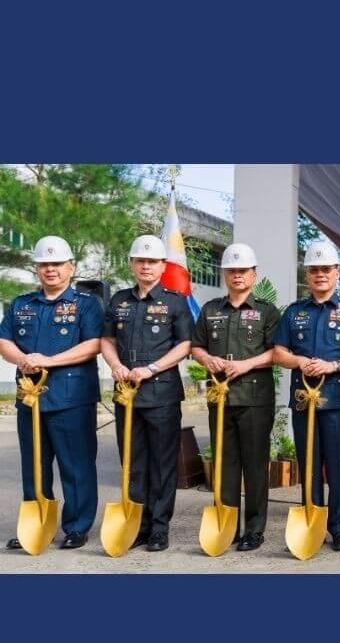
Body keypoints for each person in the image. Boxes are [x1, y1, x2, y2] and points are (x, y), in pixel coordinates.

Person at [0, 236, 103, 550]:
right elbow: (4, 341)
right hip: (29, 397)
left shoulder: (86, 304)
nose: (51, 270)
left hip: (70, 398)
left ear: (71, 267)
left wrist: (49, 361)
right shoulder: (22, 304)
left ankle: (76, 526)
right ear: (36, 269)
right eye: (44, 264)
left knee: (76, 466)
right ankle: (38, 524)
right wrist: (23, 360)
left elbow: (95, 344)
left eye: (57, 263)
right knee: (34, 466)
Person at [100, 234, 194, 552]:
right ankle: (137, 524)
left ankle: (158, 527)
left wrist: (152, 368)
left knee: (163, 463)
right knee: (133, 462)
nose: (146, 266)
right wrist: (114, 365)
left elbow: (184, 345)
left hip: (162, 394)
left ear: (163, 265)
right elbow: (107, 341)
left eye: (152, 261)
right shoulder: (119, 300)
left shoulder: (175, 301)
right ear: (131, 264)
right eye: (140, 260)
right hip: (126, 394)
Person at [273, 240, 340, 551]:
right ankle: (312, 522)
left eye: (326, 269)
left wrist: (334, 364)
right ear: (307, 274)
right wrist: (299, 361)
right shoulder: (294, 312)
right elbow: (278, 353)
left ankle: (339, 529)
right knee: (308, 463)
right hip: (303, 399)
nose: (320, 274)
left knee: (338, 465)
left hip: (337, 400)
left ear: (337, 272)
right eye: (314, 270)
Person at [191, 242, 281, 551]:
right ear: (224, 275)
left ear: (254, 275)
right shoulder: (211, 309)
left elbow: (277, 353)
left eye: (243, 271)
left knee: (254, 465)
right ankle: (226, 524)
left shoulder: (267, 311)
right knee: (225, 464)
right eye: (231, 271)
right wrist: (207, 360)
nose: (237, 276)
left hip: (254, 399)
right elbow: (196, 346)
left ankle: (254, 530)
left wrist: (246, 364)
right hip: (220, 399)